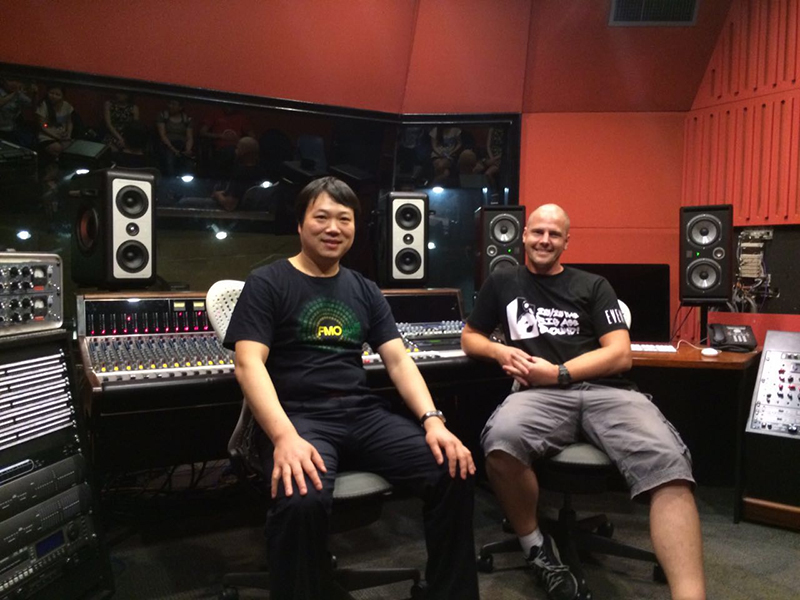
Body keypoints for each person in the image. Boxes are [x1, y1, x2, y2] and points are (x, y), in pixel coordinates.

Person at [224, 176, 480, 600]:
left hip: (362, 413)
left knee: (453, 470)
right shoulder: (268, 282)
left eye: (344, 219)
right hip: (299, 417)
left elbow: (398, 360)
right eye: (321, 217)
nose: (333, 228)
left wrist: (433, 421)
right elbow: (248, 364)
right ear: (300, 224)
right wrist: (284, 437)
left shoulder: (363, 288)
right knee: (301, 498)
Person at [461, 203, 706, 600]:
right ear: (523, 236)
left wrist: (559, 372)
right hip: (537, 396)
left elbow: (620, 354)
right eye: (537, 232)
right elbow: (470, 336)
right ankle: (537, 549)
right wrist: (499, 351)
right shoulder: (503, 281)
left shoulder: (593, 285)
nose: (544, 240)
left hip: (606, 392)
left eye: (554, 234)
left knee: (669, 466)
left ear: (566, 242)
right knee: (501, 443)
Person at [156, 98, 194, 176]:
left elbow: (189, 137)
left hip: (182, 145)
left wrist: (188, 150)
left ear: (180, 107)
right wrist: (174, 150)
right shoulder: (163, 116)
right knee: (169, 160)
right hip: (167, 145)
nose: (170, 106)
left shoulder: (187, 118)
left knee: (189, 162)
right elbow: (163, 135)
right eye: (170, 103)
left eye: (174, 104)